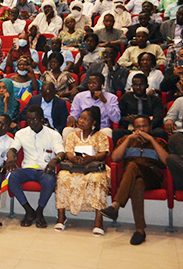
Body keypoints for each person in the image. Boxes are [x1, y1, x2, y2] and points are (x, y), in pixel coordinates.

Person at [101, 116, 168, 245]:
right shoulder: (127, 140)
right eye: (138, 127)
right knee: (137, 183)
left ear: (150, 127)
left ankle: (115, 206)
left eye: (144, 126)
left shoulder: (158, 142)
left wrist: (152, 140)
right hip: (132, 178)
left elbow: (166, 161)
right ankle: (140, 230)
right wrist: (128, 139)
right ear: (133, 129)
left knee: (132, 165)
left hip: (152, 177)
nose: (141, 129)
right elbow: (114, 158)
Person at [5, 105, 65, 229]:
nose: (32, 122)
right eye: (29, 119)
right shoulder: (21, 133)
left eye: (35, 119)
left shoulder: (53, 135)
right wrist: (10, 157)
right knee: (11, 177)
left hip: (44, 169)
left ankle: (39, 211)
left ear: (42, 119)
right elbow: (12, 150)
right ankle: (28, 210)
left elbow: (61, 153)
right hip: (26, 169)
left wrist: (55, 160)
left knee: (49, 179)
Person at [55, 106, 111, 236]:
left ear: (93, 123)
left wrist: (92, 158)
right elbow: (68, 152)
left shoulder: (101, 136)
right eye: (80, 118)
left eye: (85, 119)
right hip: (75, 166)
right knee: (62, 176)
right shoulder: (72, 136)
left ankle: (98, 220)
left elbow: (104, 154)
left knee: (97, 179)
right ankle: (61, 217)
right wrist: (73, 158)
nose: (81, 121)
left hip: (94, 167)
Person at [65, 73, 119, 140]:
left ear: (102, 84)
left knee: (108, 132)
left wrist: (105, 101)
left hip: (101, 129)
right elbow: (74, 114)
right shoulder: (80, 96)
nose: (91, 85)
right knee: (67, 130)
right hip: (82, 130)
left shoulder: (111, 98)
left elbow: (116, 119)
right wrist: (71, 117)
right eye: (89, 83)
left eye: (94, 83)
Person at [117, 73, 165, 144]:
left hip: (149, 129)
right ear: (132, 86)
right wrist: (126, 119)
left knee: (160, 132)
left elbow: (158, 118)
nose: (138, 87)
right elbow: (119, 117)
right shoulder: (126, 98)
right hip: (131, 129)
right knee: (117, 132)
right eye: (135, 85)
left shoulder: (155, 100)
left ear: (147, 86)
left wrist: (146, 126)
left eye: (141, 85)